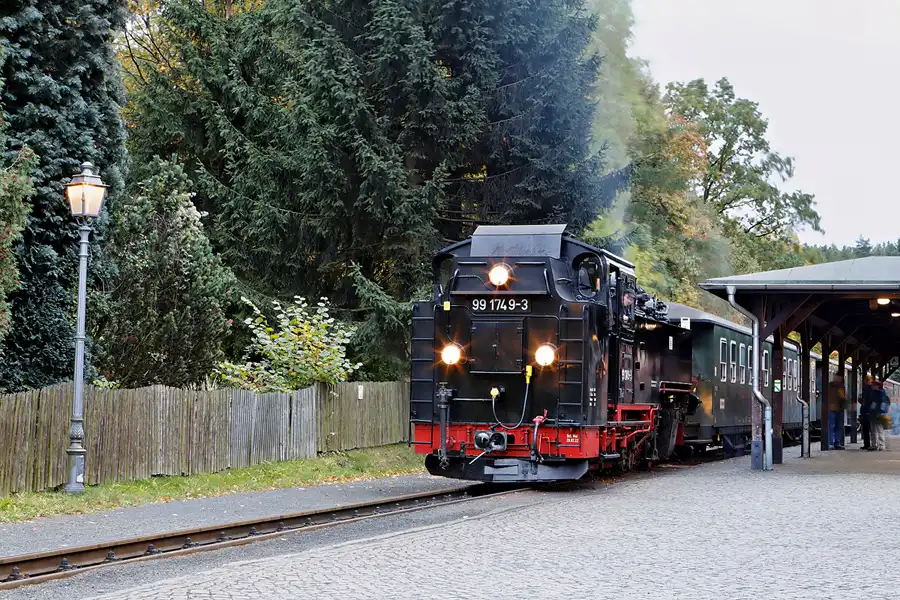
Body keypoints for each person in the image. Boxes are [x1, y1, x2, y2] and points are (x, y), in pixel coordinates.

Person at [828, 374, 847, 449]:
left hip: (837, 408)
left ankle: (834, 443)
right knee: (834, 426)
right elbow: (843, 397)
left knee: (835, 426)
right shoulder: (836, 387)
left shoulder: (839, 386)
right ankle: (833, 443)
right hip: (834, 408)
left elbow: (843, 397)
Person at [869, 380, 887, 451]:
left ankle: (881, 445)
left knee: (879, 429)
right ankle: (874, 445)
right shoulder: (874, 392)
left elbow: (883, 402)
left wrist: (881, 411)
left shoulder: (881, 392)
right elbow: (873, 403)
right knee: (873, 430)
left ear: (877, 386)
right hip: (873, 413)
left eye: (873, 385)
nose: (872, 386)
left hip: (878, 413)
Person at [859, 376, 873, 450]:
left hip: (866, 412)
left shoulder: (868, 389)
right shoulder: (869, 389)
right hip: (867, 411)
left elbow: (867, 401)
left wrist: (861, 400)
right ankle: (868, 444)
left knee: (867, 429)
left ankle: (867, 444)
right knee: (868, 429)